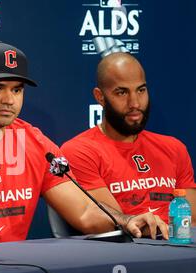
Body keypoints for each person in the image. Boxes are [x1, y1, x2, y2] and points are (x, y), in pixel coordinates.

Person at [0, 42, 168, 249]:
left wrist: (127, 220)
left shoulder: (35, 143)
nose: (9, 100)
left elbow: (84, 212)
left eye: (17, 89)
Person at [61, 52, 196, 225]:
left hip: (180, 250)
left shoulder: (174, 148)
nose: (135, 103)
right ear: (100, 97)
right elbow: (113, 224)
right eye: (122, 92)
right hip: (123, 251)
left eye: (141, 90)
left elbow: (191, 221)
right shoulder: (79, 151)